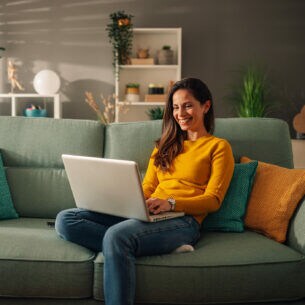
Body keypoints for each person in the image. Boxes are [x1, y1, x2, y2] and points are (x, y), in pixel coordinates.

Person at [55, 77, 234, 305]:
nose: (181, 113)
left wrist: (170, 203)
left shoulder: (218, 147)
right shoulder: (163, 146)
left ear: (205, 106)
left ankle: (131, 245)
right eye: (176, 107)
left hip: (184, 220)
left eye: (188, 105)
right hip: (149, 212)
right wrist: (126, 201)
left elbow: (213, 200)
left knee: (116, 235)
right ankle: (154, 247)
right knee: (66, 219)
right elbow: (148, 187)